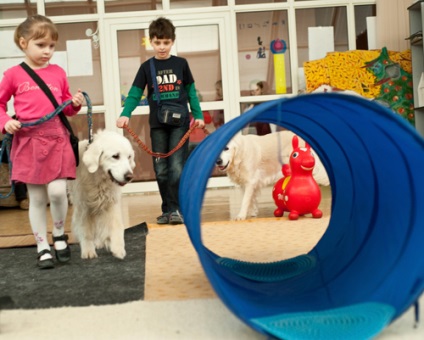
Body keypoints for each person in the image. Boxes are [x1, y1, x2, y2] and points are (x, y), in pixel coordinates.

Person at [0, 15, 84, 269]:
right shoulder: (13, 75)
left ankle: (59, 233)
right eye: (41, 45)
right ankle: (41, 245)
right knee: (36, 199)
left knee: (58, 192)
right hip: (28, 142)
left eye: (51, 46)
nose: (47, 51)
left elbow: (66, 109)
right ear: (23, 43)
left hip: (57, 139)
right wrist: (5, 122)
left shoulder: (58, 73)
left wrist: (75, 104)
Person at [116, 17, 204, 225]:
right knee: (161, 170)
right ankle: (168, 209)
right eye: (157, 42)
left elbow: (191, 93)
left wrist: (198, 115)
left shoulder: (181, 64)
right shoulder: (147, 67)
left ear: (172, 41)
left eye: (166, 42)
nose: (162, 47)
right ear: (151, 42)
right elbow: (135, 94)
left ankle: (176, 209)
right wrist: (125, 113)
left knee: (176, 167)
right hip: (157, 125)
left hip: (179, 124)